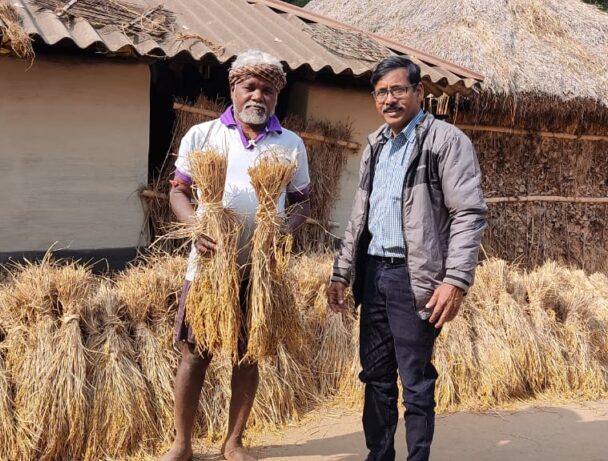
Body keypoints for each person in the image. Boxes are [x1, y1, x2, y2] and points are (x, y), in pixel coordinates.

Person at [325, 56, 487, 461]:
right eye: (381, 92)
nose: (389, 99)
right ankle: (379, 455)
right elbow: (360, 213)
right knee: (376, 377)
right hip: (374, 274)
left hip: (415, 279)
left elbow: (468, 213)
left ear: (419, 92)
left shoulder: (444, 141)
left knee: (415, 381)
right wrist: (342, 271)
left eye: (398, 89)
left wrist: (455, 280)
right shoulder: (376, 144)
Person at [160, 49, 311, 461]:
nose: (258, 96)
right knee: (195, 354)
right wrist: (196, 226)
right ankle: (182, 444)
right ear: (233, 89)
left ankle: (233, 442)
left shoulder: (290, 144)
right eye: (250, 87)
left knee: (248, 355)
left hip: (259, 271)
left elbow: (302, 201)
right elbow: (178, 191)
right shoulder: (204, 135)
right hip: (210, 267)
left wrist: (283, 230)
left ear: (277, 96)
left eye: (268, 90)